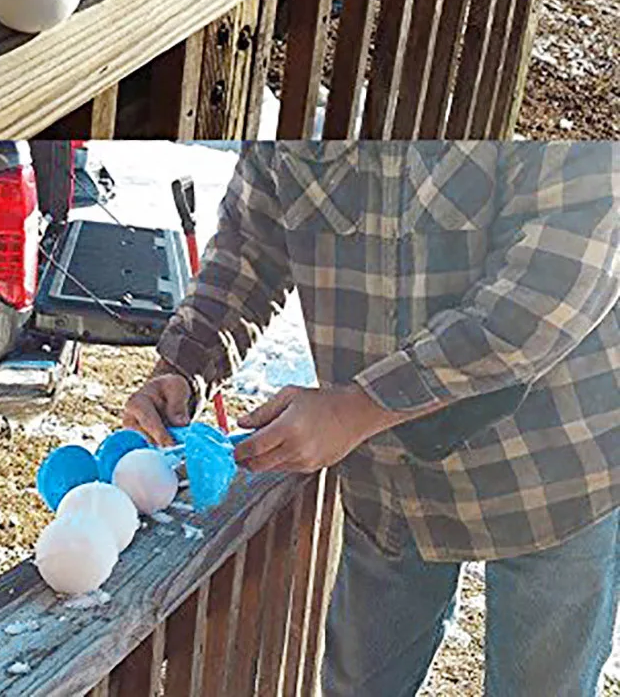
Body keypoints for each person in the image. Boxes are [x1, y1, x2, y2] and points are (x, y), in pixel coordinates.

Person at [123, 141, 618, 697]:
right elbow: (250, 246)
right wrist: (185, 364)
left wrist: (357, 407)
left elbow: (550, 286)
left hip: (552, 472)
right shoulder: (304, 99)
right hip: (390, 489)